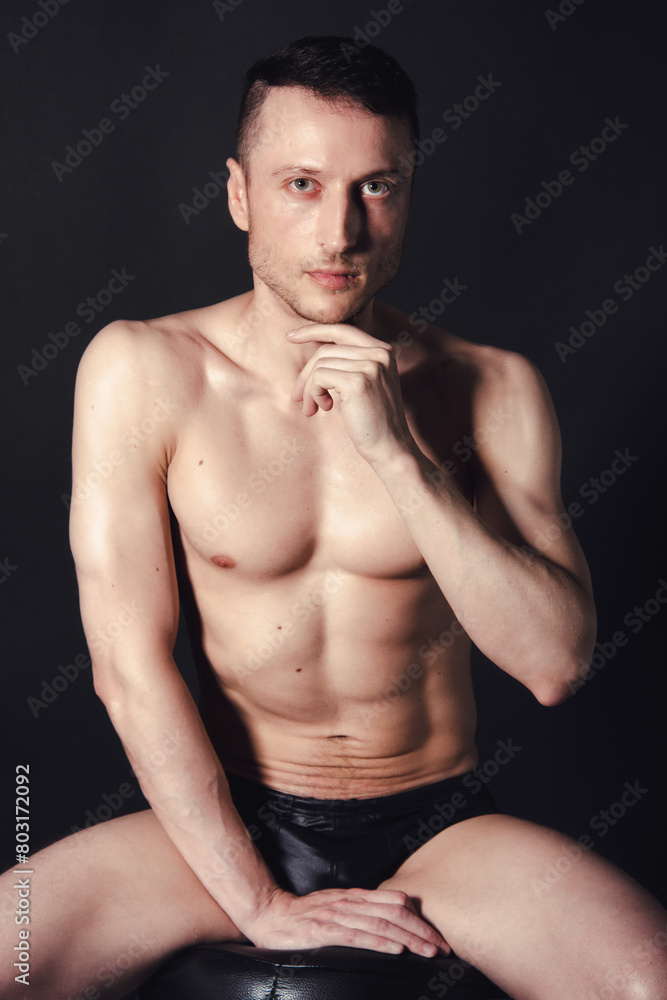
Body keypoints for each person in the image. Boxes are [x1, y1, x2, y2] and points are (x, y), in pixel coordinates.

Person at [2, 35, 666, 1000]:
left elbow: (552, 663)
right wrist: (260, 902)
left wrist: (397, 455)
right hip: (223, 819)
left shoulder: (493, 387)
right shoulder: (141, 369)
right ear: (239, 194)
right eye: (302, 184)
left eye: (376, 187)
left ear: (406, 195)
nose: (341, 231)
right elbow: (127, 669)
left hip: (440, 827)